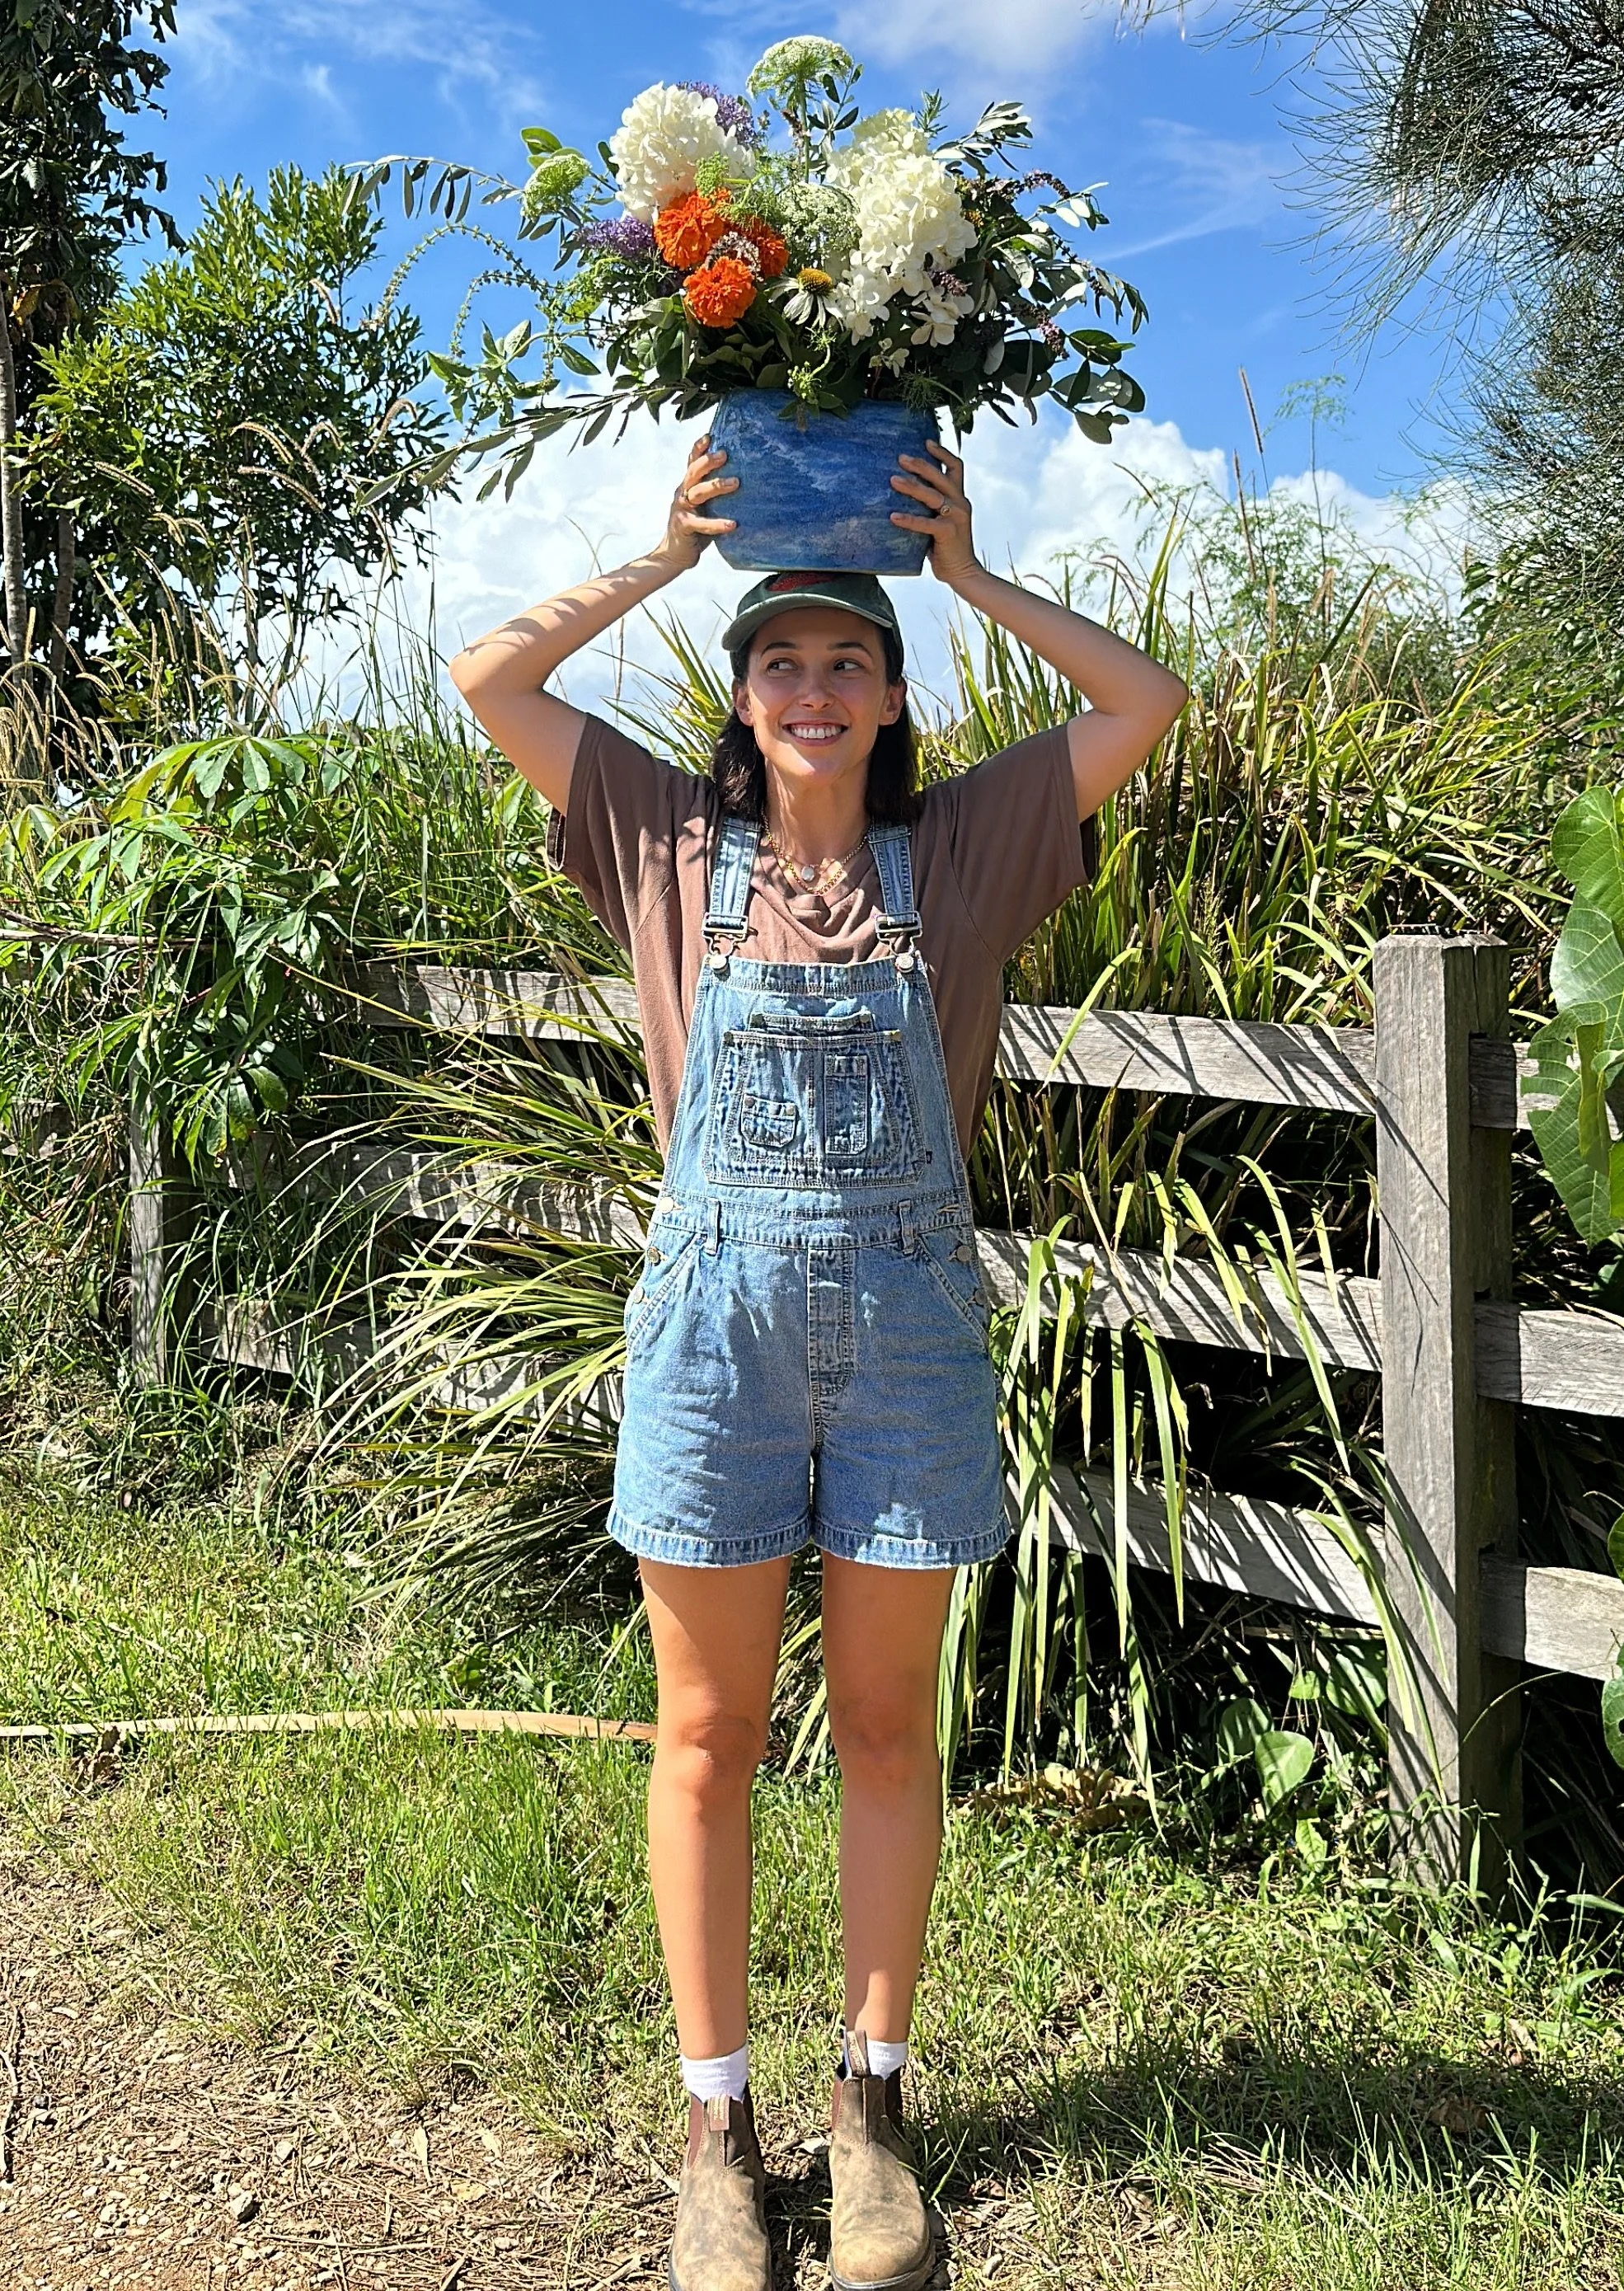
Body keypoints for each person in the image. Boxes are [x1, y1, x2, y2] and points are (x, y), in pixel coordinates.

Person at [448, 432, 1187, 2291]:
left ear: (890, 695)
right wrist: (654, 555)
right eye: (779, 660)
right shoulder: (650, 841)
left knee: (878, 1732)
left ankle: (870, 2107)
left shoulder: (976, 843)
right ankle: (717, 2126)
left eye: (846, 660)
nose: (812, 688)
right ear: (740, 691)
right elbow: (491, 679)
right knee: (699, 1736)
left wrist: (973, 573)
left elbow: (1147, 697)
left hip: (913, 1335)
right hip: (717, 1339)